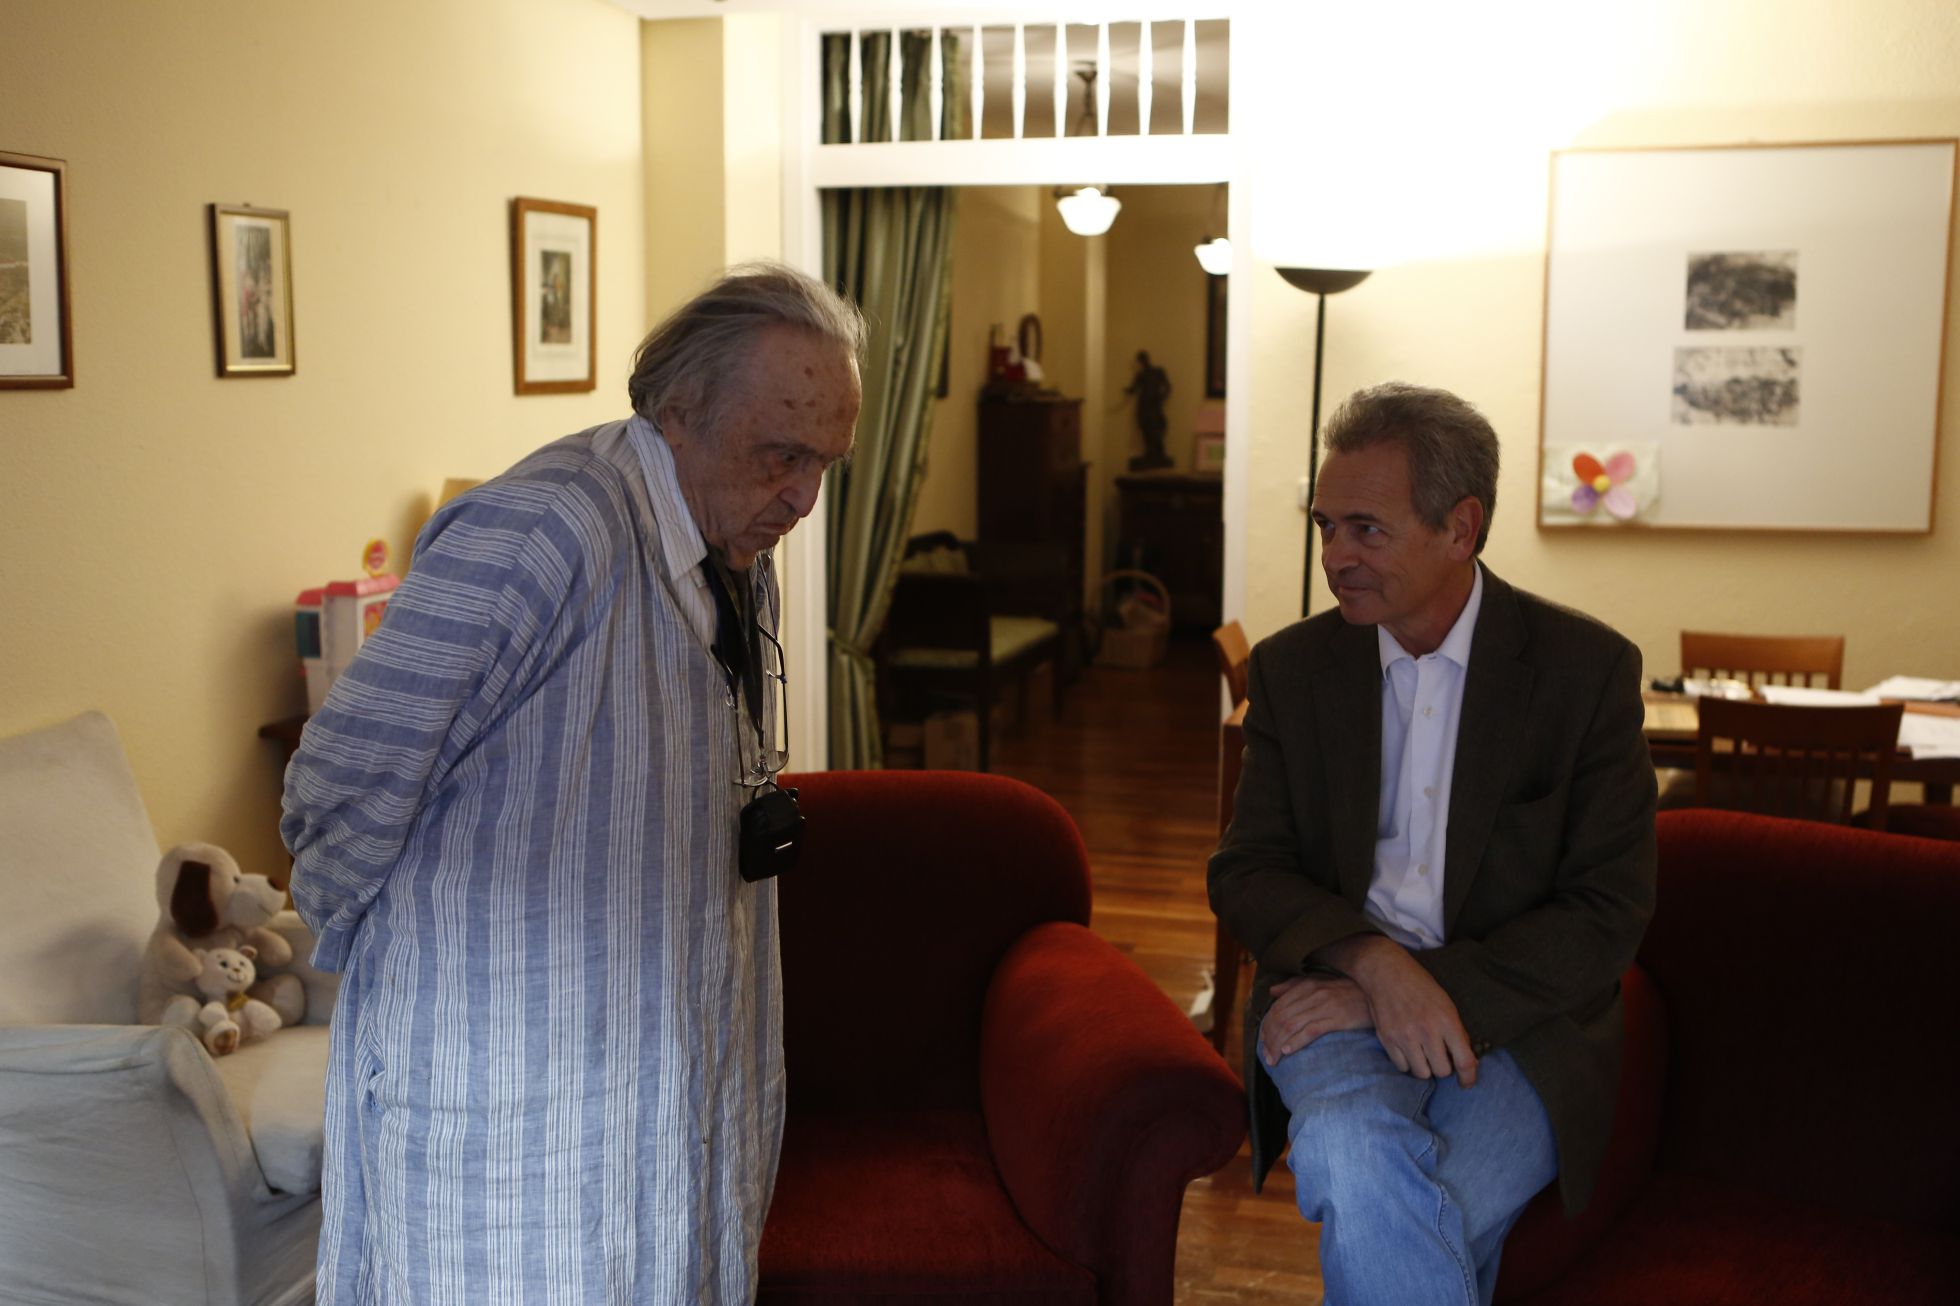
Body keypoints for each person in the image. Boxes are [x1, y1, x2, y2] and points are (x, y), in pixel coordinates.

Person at [282, 262, 865, 1304]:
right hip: (513, 1089)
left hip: (666, 1073)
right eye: (781, 454)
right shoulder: (543, 531)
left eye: (825, 463)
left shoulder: (729, 535)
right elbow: (338, 781)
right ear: (677, 409)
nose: (803, 498)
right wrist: (399, 970)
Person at [1208, 382, 1656, 1306]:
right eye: (1325, 525)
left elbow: (1607, 913)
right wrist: (1373, 968)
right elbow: (1247, 870)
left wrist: (1418, 989)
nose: (1335, 557)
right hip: (1332, 997)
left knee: (1399, 1197)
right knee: (1392, 1185)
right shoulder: (1295, 671)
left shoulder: (1584, 672)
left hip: (1524, 1025)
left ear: (1461, 527)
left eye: (1366, 530)